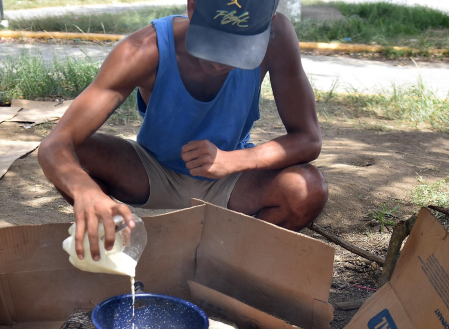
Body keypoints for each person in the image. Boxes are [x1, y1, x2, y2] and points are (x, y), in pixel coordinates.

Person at [38, 0, 328, 262]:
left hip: (230, 178)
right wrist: (86, 191)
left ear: (266, 27)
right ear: (192, 7)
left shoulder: (277, 37)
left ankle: (228, 261)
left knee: (305, 189)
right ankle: (115, 248)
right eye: (213, 43)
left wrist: (233, 161)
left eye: (237, 51)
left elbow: (308, 139)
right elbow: (55, 145)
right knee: (77, 155)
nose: (219, 63)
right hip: (153, 172)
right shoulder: (143, 50)